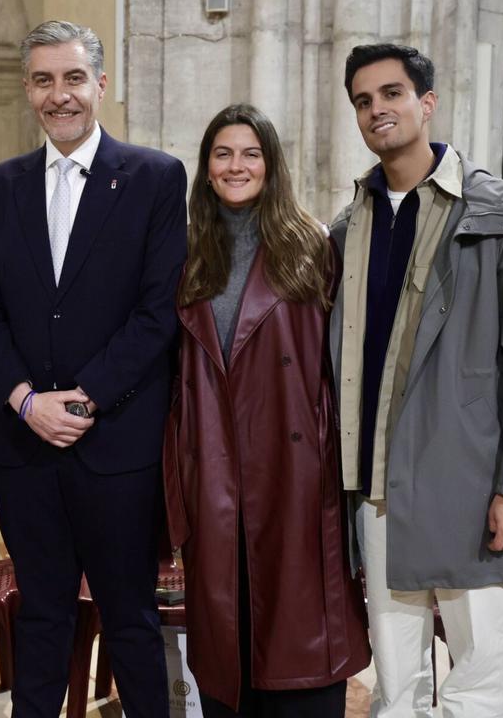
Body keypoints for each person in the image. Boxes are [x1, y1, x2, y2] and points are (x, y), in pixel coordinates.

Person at [330, 44, 503, 717]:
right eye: (363, 100)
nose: (377, 109)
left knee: (477, 682)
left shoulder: (499, 213)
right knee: (395, 685)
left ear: (426, 102)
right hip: (379, 488)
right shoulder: (351, 226)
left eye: (392, 93)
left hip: (470, 485)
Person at [0, 20, 187, 718]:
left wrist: (86, 398)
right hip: (26, 447)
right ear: (27, 89)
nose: (58, 94)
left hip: (116, 445)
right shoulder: (1, 186)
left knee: (130, 620)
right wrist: (26, 400)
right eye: (43, 80)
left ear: (100, 84)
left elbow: (158, 311)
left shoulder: (155, 177)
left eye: (73, 78)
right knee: (41, 618)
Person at [162, 104, 370, 717]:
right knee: (227, 639)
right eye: (223, 154)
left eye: (251, 154)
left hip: (295, 470)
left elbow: (339, 364)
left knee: (301, 638)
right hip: (212, 468)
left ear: (271, 164)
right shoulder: (184, 254)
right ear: (206, 168)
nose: (237, 166)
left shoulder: (311, 246)